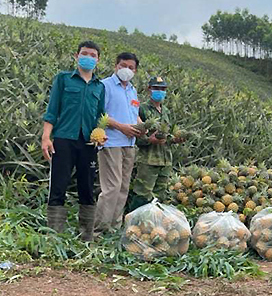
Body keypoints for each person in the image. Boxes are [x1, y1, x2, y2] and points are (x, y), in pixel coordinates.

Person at [41, 40, 106, 241]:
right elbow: (52, 110)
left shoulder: (99, 87)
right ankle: (54, 236)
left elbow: (100, 116)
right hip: (63, 139)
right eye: (84, 53)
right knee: (58, 185)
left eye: (93, 55)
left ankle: (86, 237)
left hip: (88, 143)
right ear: (76, 56)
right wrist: (46, 137)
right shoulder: (63, 79)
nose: (88, 57)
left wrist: (101, 134)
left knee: (87, 187)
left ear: (98, 60)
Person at [94, 52, 142, 234]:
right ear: (116, 66)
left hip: (129, 143)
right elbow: (99, 114)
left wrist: (142, 126)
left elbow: (134, 113)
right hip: (111, 142)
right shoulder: (104, 86)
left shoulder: (132, 90)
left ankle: (114, 229)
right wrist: (121, 127)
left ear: (135, 71)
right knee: (111, 187)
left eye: (131, 67)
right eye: (123, 66)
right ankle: (99, 230)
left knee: (123, 187)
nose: (126, 70)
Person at [129, 77, 183, 211]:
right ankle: (132, 222)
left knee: (159, 196)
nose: (160, 91)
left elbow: (167, 137)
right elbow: (135, 136)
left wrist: (175, 139)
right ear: (149, 89)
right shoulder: (141, 109)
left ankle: (152, 225)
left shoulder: (166, 111)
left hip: (165, 161)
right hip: (148, 160)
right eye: (156, 88)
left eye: (162, 89)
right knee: (142, 194)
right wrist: (149, 140)